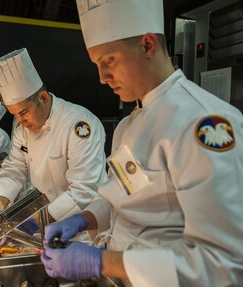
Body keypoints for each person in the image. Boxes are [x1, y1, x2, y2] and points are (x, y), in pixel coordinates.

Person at [41, 0, 243, 286]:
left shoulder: (204, 124)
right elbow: (127, 198)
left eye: (108, 60)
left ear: (147, 45)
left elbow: (224, 264)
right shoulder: (127, 126)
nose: (101, 78)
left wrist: (99, 262)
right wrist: (85, 219)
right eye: (97, 65)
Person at [0, 48, 108, 239]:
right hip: (46, 220)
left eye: (23, 112)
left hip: (81, 227)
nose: (20, 121)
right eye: (14, 114)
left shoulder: (79, 125)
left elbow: (84, 189)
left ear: (43, 98)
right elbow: (14, 168)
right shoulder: (22, 126)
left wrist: (33, 223)